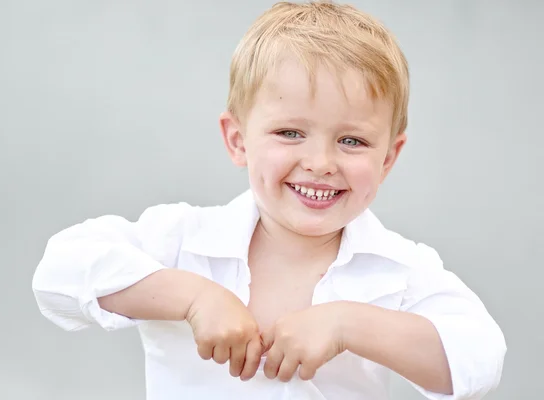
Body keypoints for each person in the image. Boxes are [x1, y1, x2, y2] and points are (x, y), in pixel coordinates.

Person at [31, 1, 506, 399]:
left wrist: (347, 325)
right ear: (238, 140)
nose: (320, 162)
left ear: (388, 157)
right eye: (289, 133)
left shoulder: (399, 269)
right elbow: (60, 272)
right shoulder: (183, 240)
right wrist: (194, 297)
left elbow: (479, 360)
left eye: (353, 141)